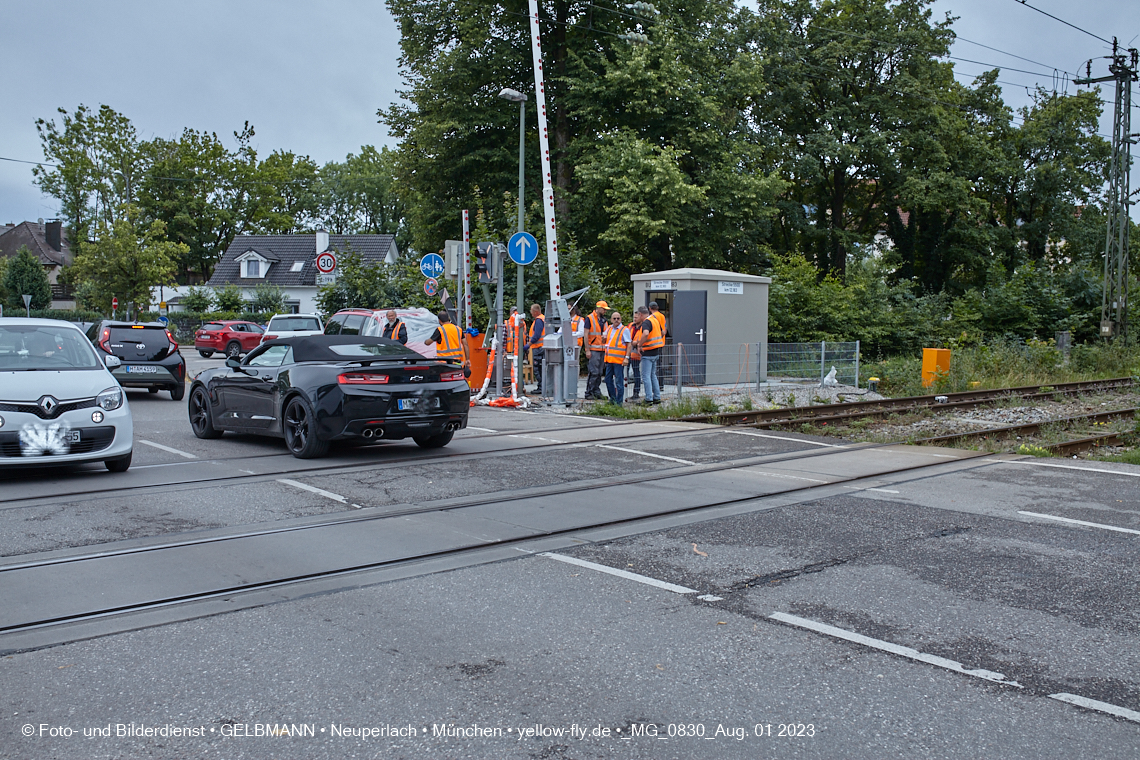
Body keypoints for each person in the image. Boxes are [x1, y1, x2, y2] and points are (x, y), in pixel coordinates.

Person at [425, 310, 469, 375]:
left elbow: (428, 343)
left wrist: (426, 341)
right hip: (457, 362)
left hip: (444, 363)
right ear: (448, 318)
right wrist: (468, 359)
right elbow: (465, 344)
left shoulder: (440, 330)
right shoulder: (458, 329)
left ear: (439, 320)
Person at [635, 306, 664, 404]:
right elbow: (662, 332)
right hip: (656, 351)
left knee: (646, 376)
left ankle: (648, 399)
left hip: (648, 352)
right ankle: (657, 397)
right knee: (653, 375)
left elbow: (646, 333)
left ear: (640, 314)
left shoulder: (646, 322)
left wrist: (640, 345)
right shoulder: (655, 320)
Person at [602, 311, 630, 405]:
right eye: (614, 318)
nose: (616, 320)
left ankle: (618, 402)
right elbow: (606, 341)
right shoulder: (609, 328)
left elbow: (628, 344)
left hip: (618, 360)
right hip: (609, 360)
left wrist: (627, 357)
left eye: (618, 318)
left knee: (619, 382)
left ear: (621, 319)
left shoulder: (624, 330)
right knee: (608, 379)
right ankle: (613, 399)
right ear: (611, 320)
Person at [584, 301, 608, 400]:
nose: (605, 311)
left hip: (602, 349)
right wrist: (587, 350)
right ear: (599, 308)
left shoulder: (604, 320)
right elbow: (585, 334)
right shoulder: (589, 318)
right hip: (593, 349)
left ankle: (596, 391)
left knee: (599, 372)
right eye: (604, 309)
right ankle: (589, 392)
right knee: (593, 372)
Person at [524, 303, 545, 395]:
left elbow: (536, 335)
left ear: (536, 311)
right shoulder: (542, 319)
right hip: (541, 347)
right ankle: (542, 386)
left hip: (539, 348)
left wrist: (528, 345)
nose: (531, 313)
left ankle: (541, 387)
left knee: (538, 368)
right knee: (541, 368)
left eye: (531, 311)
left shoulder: (539, 320)